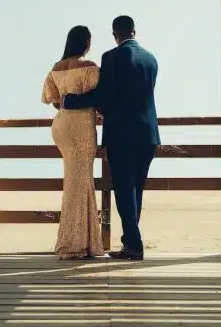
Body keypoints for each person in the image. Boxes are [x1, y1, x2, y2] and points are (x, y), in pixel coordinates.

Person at [62, 15, 160, 261]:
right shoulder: (151, 59)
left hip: (122, 134)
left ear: (115, 34)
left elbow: (104, 95)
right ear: (134, 31)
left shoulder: (111, 57)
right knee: (136, 189)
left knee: (124, 190)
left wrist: (72, 101)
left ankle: (134, 245)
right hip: (148, 133)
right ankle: (131, 241)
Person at [41, 25, 104, 260]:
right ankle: (71, 244)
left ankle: (84, 241)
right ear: (86, 43)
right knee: (79, 182)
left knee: (77, 180)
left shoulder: (56, 68)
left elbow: (53, 100)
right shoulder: (88, 68)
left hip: (61, 126)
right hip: (81, 127)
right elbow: (98, 98)